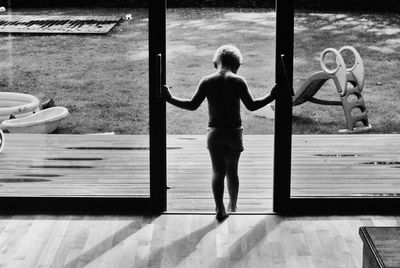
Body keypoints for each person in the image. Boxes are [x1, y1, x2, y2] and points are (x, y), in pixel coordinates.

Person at [161, 44, 278, 221]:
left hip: (215, 133)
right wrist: (272, 95)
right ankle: (234, 206)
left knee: (218, 172)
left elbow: (192, 105)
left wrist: (169, 98)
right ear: (237, 65)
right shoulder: (238, 81)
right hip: (234, 133)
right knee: (232, 171)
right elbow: (252, 105)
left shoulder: (207, 81)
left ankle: (219, 208)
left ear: (215, 63)